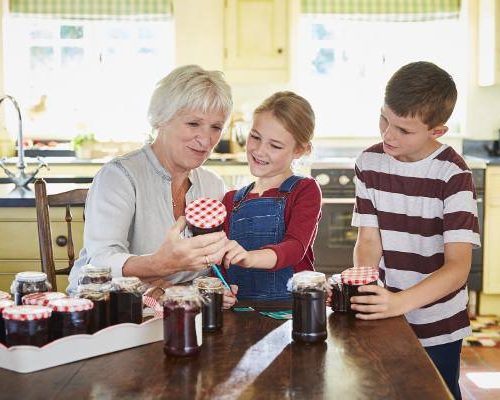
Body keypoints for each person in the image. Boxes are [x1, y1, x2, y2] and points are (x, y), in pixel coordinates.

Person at [350, 61, 480, 399]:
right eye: (384, 119)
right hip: (386, 312)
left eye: (403, 130)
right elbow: (368, 240)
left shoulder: (453, 175)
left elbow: (457, 268)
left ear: (437, 131)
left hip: (438, 322)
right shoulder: (369, 163)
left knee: (436, 393)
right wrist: (368, 289)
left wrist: (400, 303)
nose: (387, 134)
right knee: (383, 390)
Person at [68, 65, 237, 308]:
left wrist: (214, 287)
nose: (206, 140)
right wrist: (160, 266)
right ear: (161, 118)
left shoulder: (212, 184)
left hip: (179, 310)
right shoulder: (119, 176)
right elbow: (101, 264)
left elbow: (207, 267)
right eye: (193, 123)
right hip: (110, 308)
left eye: (216, 127)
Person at [221, 91, 322, 301]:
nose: (259, 150)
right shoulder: (231, 200)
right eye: (255, 137)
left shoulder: (305, 190)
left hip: (290, 311)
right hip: (238, 312)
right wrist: (222, 289)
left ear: (300, 150)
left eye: (275, 145)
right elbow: (221, 261)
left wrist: (250, 258)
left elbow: (295, 248)